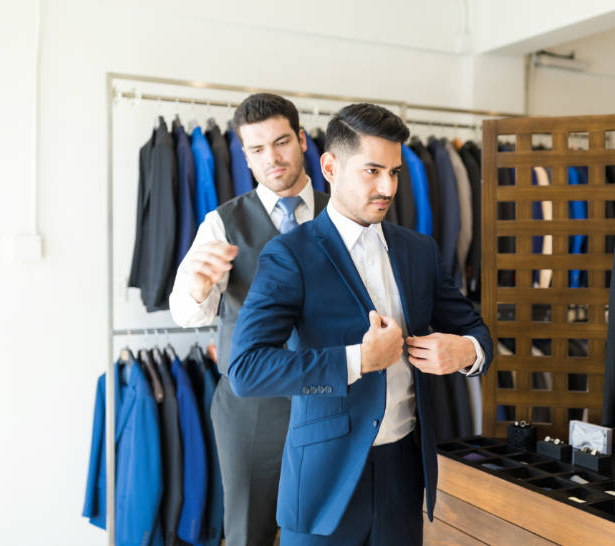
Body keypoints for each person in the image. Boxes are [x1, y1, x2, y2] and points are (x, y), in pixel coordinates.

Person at [228, 103, 493, 545]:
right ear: (330, 167)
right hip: (323, 481)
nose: (387, 186)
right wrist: (359, 359)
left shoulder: (418, 250)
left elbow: (477, 332)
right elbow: (247, 370)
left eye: (394, 172)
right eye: (372, 171)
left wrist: (466, 352)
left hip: (403, 476)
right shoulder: (290, 255)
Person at [169, 93, 330, 546]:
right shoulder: (221, 223)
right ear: (244, 154)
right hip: (252, 404)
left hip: (330, 393)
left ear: (301, 140)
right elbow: (185, 312)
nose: (272, 159)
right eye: (257, 150)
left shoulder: (342, 211)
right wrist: (199, 288)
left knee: (327, 529)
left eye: (281, 143)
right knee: (247, 532)